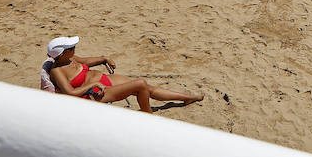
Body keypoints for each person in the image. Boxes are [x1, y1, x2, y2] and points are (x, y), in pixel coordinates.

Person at [45, 36, 202, 113]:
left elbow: (85, 61)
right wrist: (93, 84)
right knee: (140, 84)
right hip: (95, 94)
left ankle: (186, 98)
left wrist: (103, 58)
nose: (75, 49)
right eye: (72, 48)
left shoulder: (70, 58)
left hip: (103, 81)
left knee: (147, 88)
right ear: (62, 53)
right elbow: (70, 93)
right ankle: (148, 116)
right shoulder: (57, 71)